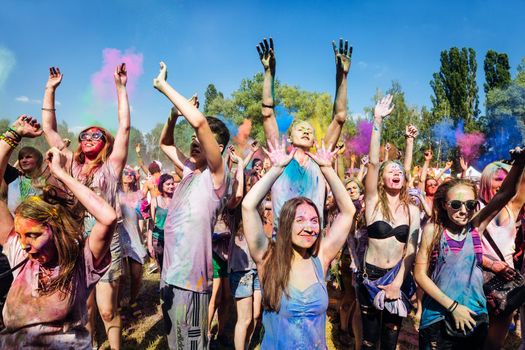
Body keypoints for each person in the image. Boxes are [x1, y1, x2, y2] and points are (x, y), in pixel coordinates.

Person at [0, 115, 117, 349]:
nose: (24, 244)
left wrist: (61, 173)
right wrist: (12, 135)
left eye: (34, 235)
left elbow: (108, 217)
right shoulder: (20, 254)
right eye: (22, 235)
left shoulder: (81, 262)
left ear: (55, 229)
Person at [41, 64, 130, 349]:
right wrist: (50, 90)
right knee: (85, 308)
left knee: (107, 309)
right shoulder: (72, 165)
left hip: (107, 242)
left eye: (96, 136)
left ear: (105, 143)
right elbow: (48, 129)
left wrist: (120, 88)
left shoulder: (112, 167)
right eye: (85, 135)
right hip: (77, 242)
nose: (89, 138)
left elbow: (125, 126)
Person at [242, 138, 355, 348]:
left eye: (314, 221)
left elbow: (348, 211)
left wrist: (327, 169)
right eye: (300, 220)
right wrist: (276, 170)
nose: (310, 227)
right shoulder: (268, 258)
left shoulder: (320, 259)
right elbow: (248, 206)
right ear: (285, 224)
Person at [414, 147, 525, 349]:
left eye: (470, 204)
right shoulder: (433, 230)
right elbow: (420, 275)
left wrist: (519, 164)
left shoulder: (475, 227)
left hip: (475, 314)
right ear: (444, 204)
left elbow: (507, 193)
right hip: (437, 317)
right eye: (456, 204)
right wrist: (453, 307)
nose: (464, 210)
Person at [154, 61, 230, 349]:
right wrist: (173, 116)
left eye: (204, 139)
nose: (196, 141)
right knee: (176, 342)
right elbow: (164, 143)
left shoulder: (218, 176)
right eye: (195, 139)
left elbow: (198, 122)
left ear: (217, 149)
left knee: (193, 344)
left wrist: (164, 87)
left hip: (193, 284)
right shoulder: (188, 170)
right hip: (169, 276)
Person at [258, 37, 351, 230]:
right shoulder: (280, 158)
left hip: (313, 242)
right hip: (281, 243)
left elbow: (340, 117)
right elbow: (267, 114)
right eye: (301, 129)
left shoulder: (320, 160)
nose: (307, 131)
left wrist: (341, 77)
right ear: (290, 138)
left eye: (310, 130)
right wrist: (269, 73)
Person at [359, 95, 420, 350]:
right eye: (390, 171)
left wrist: (397, 283)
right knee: (370, 339)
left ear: (405, 179)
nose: (396, 173)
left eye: (399, 172)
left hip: (399, 275)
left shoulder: (412, 210)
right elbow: (373, 162)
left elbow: (413, 250)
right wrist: (377, 121)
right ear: (381, 179)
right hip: (371, 276)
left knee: (391, 335)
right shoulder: (372, 200)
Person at [477, 161, 525, 350]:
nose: (502, 184)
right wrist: (490, 264)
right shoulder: (474, 207)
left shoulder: (511, 208)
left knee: (495, 342)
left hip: (506, 282)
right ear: (486, 181)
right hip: (477, 279)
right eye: (497, 179)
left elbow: (520, 185)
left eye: (505, 180)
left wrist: (520, 162)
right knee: (474, 336)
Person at [117, 165, 147, 318]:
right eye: (125, 172)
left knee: (136, 274)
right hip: (120, 238)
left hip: (135, 238)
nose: (129, 175)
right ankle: (119, 304)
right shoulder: (116, 194)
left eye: (131, 173)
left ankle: (133, 300)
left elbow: (143, 216)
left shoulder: (139, 195)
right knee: (121, 276)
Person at [6, 146, 48, 214]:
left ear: (38, 160)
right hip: (12, 223)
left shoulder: (47, 181)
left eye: (28, 157)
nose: (24, 160)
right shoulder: (14, 176)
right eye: (21, 158)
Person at [147, 173, 174, 274]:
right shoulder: (155, 201)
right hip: (158, 239)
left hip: (173, 239)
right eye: (168, 184)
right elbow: (151, 223)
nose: (171, 186)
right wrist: (149, 244)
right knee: (162, 268)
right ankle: (163, 288)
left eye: (172, 184)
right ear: (161, 186)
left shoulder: (177, 200)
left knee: (173, 267)